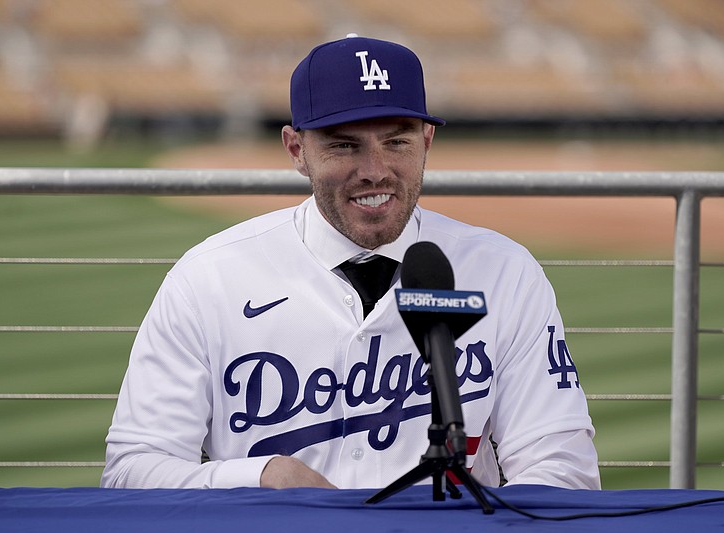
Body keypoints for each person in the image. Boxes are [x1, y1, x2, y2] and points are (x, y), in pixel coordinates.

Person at [101, 35, 600, 491]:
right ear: (297, 149)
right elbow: (132, 469)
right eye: (344, 144)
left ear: (426, 141)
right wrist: (260, 476)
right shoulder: (208, 278)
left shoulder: (505, 272)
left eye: (397, 141)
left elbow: (561, 464)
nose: (375, 171)